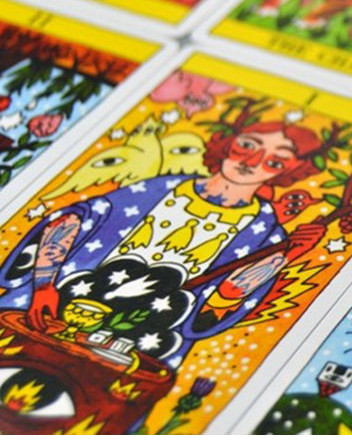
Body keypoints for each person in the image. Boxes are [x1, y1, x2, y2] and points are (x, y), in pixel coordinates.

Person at [0, 118, 327, 368]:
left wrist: (284, 257)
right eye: (247, 145)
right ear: (229, 142)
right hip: (51, 305)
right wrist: (44, 285)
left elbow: (214, 310)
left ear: (290, 172)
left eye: (274, 162)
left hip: (137, 342)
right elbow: (73, 221)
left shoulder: (266, 234)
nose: (251, 161)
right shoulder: (157, 188)